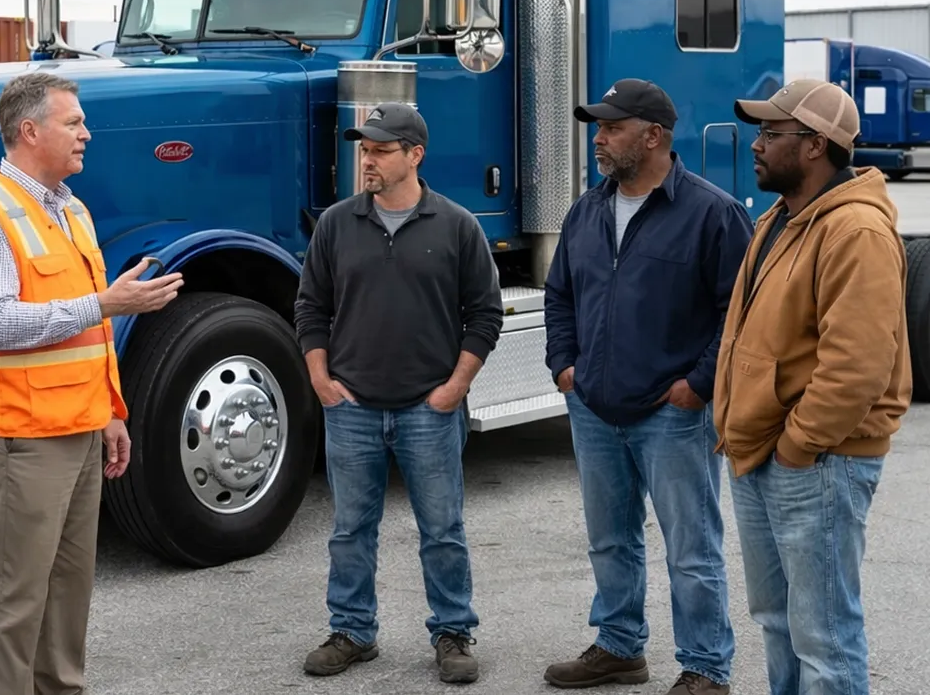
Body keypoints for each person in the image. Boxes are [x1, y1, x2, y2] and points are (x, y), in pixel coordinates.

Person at [0, 71, 184, 695]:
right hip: (24, 437)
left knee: (70, 589)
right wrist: (106, 303)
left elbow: (87, 335)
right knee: (15, 594)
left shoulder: (70, 209)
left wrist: (111, 410)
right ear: (29, 131)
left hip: (80, 428)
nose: (87, 134)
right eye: (73, 123)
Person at [542, 79, 753, 695]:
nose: (598, 139)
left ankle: (706, 668)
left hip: (673, 414)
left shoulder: (712, 213)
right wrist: (564, 366)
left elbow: (738, 313)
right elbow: (560, 296)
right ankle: (619, 646)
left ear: (654, 136)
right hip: (595, 407)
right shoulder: (586, 209)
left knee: (692, 550)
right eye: (598, 128)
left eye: (611, 128)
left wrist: (698, 384)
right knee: (610, 541)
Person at [293, 101, 503, 685]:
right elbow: (311, 307)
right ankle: (353, 632)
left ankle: (453, 632)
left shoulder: (458, 225)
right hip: (352, 407)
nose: (369, 159)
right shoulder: (336, 223)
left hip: (427, 410)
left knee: (442, 530)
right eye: (365, 149)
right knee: (349, 529)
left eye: (382, 150)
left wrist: (454, 389)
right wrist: (319, 378)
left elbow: (484, 315)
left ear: (415, 155)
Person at [714, 78, 911, 695]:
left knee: (824, 636)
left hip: (818, 461)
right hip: (761, 451)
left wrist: (800, 445)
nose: (756, 145)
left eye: (772, 134)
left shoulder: (855, 231)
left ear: (815, 146)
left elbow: (858, 363)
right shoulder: (780, 218)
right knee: (778, 622)